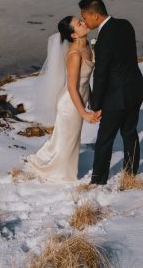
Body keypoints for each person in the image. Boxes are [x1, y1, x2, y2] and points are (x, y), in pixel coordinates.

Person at [79, 0, 143, 186]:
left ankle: (98, 180)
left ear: (94, 15)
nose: (84, 21)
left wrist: (96, 104)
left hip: (115, 97)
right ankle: (130, 173)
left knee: (104, 140)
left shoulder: (103, 40)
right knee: (130, 133)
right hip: (135, 90)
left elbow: (101, 74)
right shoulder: (126, 25)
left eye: (84, 17)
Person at [22, 15, 99, 183]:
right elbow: (72, 86)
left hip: (81, 98)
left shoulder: (87, 46)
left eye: (81, 20)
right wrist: (84, 113)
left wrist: (91, 100)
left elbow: (84, 81)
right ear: (73, 35)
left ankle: (48, 161)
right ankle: (61, 174)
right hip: (70, 102)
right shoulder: (74, 54)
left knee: (67, 137)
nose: (84, 23)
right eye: (79, 24)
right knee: (68, 139)